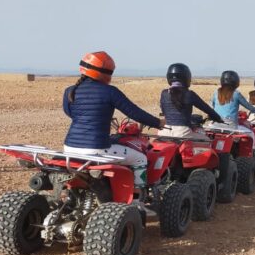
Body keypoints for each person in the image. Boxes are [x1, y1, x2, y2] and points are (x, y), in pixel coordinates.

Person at [63, 51, 163, 189]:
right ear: (106, 72)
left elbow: (71, 113)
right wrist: (158, 123)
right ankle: (137, 198)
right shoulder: (110, 91)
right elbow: (134, 112)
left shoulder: (70, 90)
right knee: (141, 158)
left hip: (69, 148)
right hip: (95, 150)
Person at [159, 63, 223, 138]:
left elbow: (164, 111)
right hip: (183, 133)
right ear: (187, 77)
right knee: (207, 140)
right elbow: (206, 108)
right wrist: (217, 118)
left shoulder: (164, 93)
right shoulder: (190, 94)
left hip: (165, 132)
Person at [210, 70, 255, 145]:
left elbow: (212, 105)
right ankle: (253, 153)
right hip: (230, 125)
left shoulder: (216, 92)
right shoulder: (236, 94)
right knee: (251, 134)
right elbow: (248, 106)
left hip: (215, 124)